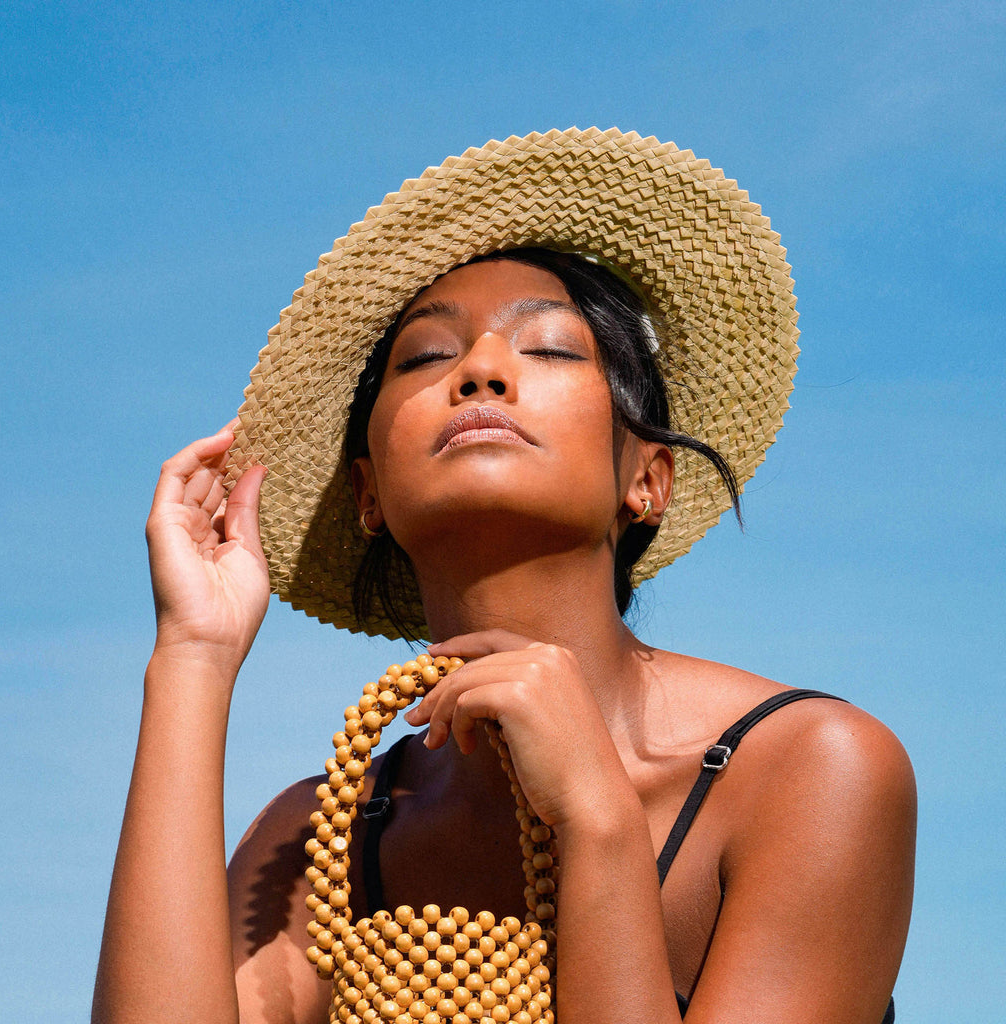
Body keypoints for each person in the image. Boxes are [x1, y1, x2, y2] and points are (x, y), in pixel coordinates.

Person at [93, 129, 915, 1024]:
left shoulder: (806, 770)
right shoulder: (322, 843)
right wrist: (192, 661)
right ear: (367, 494)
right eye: (424, 358)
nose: (481, 371)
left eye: (552, 350)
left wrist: (597, 827)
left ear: (647, 478)